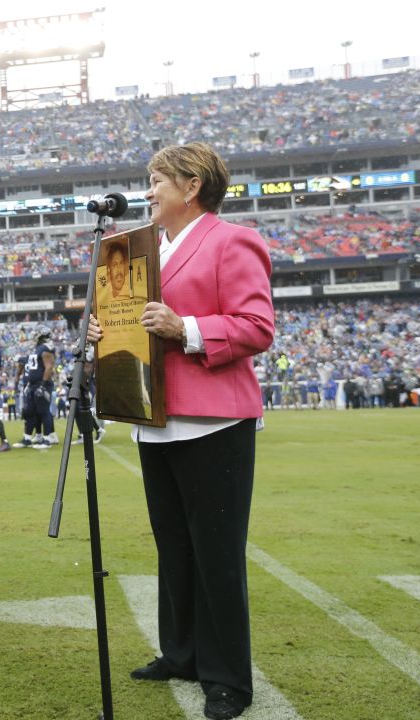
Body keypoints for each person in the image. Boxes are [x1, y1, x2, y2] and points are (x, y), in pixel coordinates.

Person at [88, 142, 274, 720]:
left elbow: (257, 325)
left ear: (191, 185)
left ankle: (227, 679)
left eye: (156, 179)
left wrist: (184, 326)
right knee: (175, 547)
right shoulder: (141, 250)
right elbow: (136, 324)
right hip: (157, 418)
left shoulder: (231, 240)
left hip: (214, 420)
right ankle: (182, 652)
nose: (147, 191)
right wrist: (106, 329)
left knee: (216, 552)